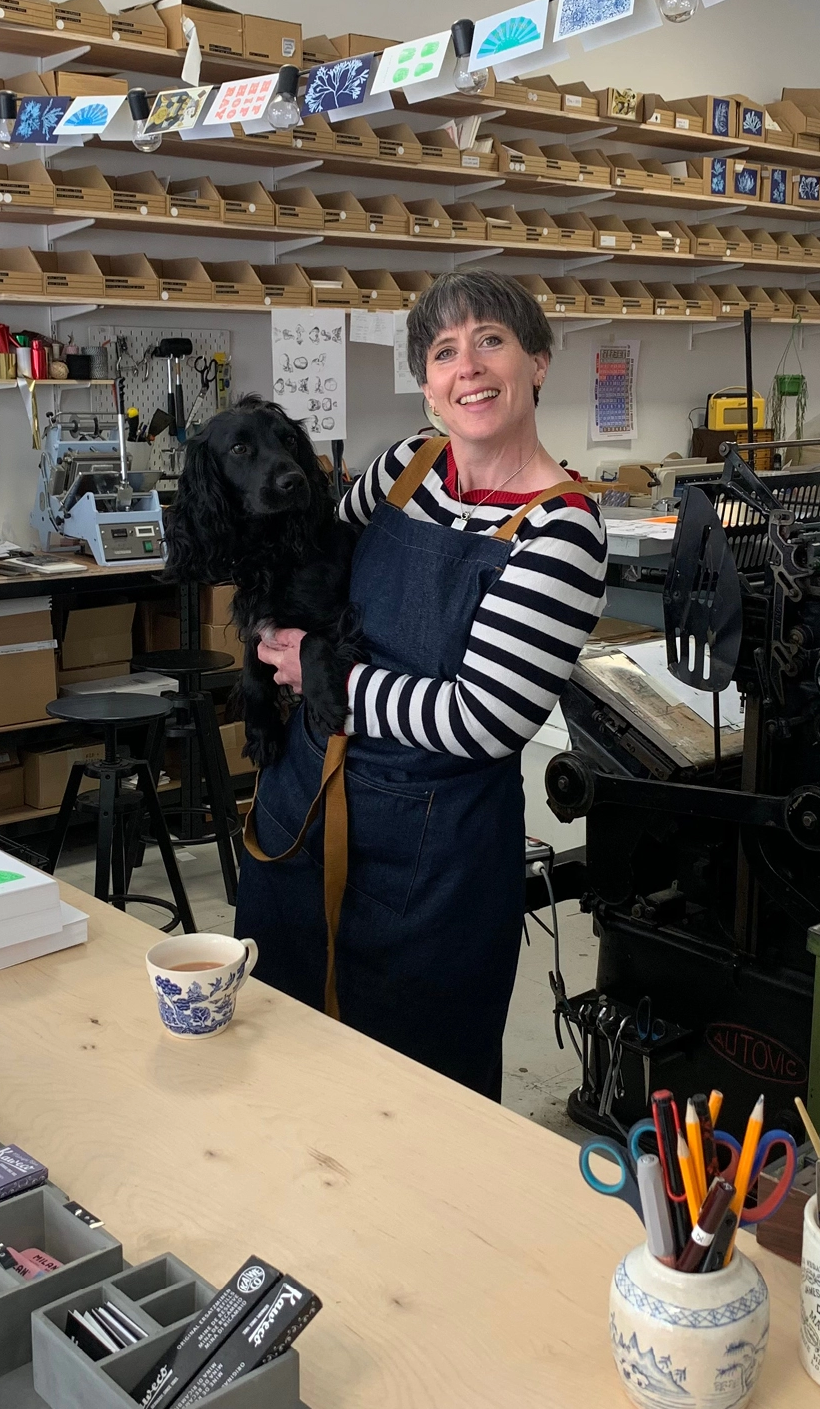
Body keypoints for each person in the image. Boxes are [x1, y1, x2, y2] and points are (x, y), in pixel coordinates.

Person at [234, 271, 606, 1099]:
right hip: (306, 805)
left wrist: (322, 675)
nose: (467, 367)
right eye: (444, 351)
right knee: (271, 1062)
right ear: (428, 382)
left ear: (538, 360)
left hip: (432, 865)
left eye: (491, 341)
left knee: (407, 1097)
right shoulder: (409, 466)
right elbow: (317, 553)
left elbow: (483, 719)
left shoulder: (561, 532)